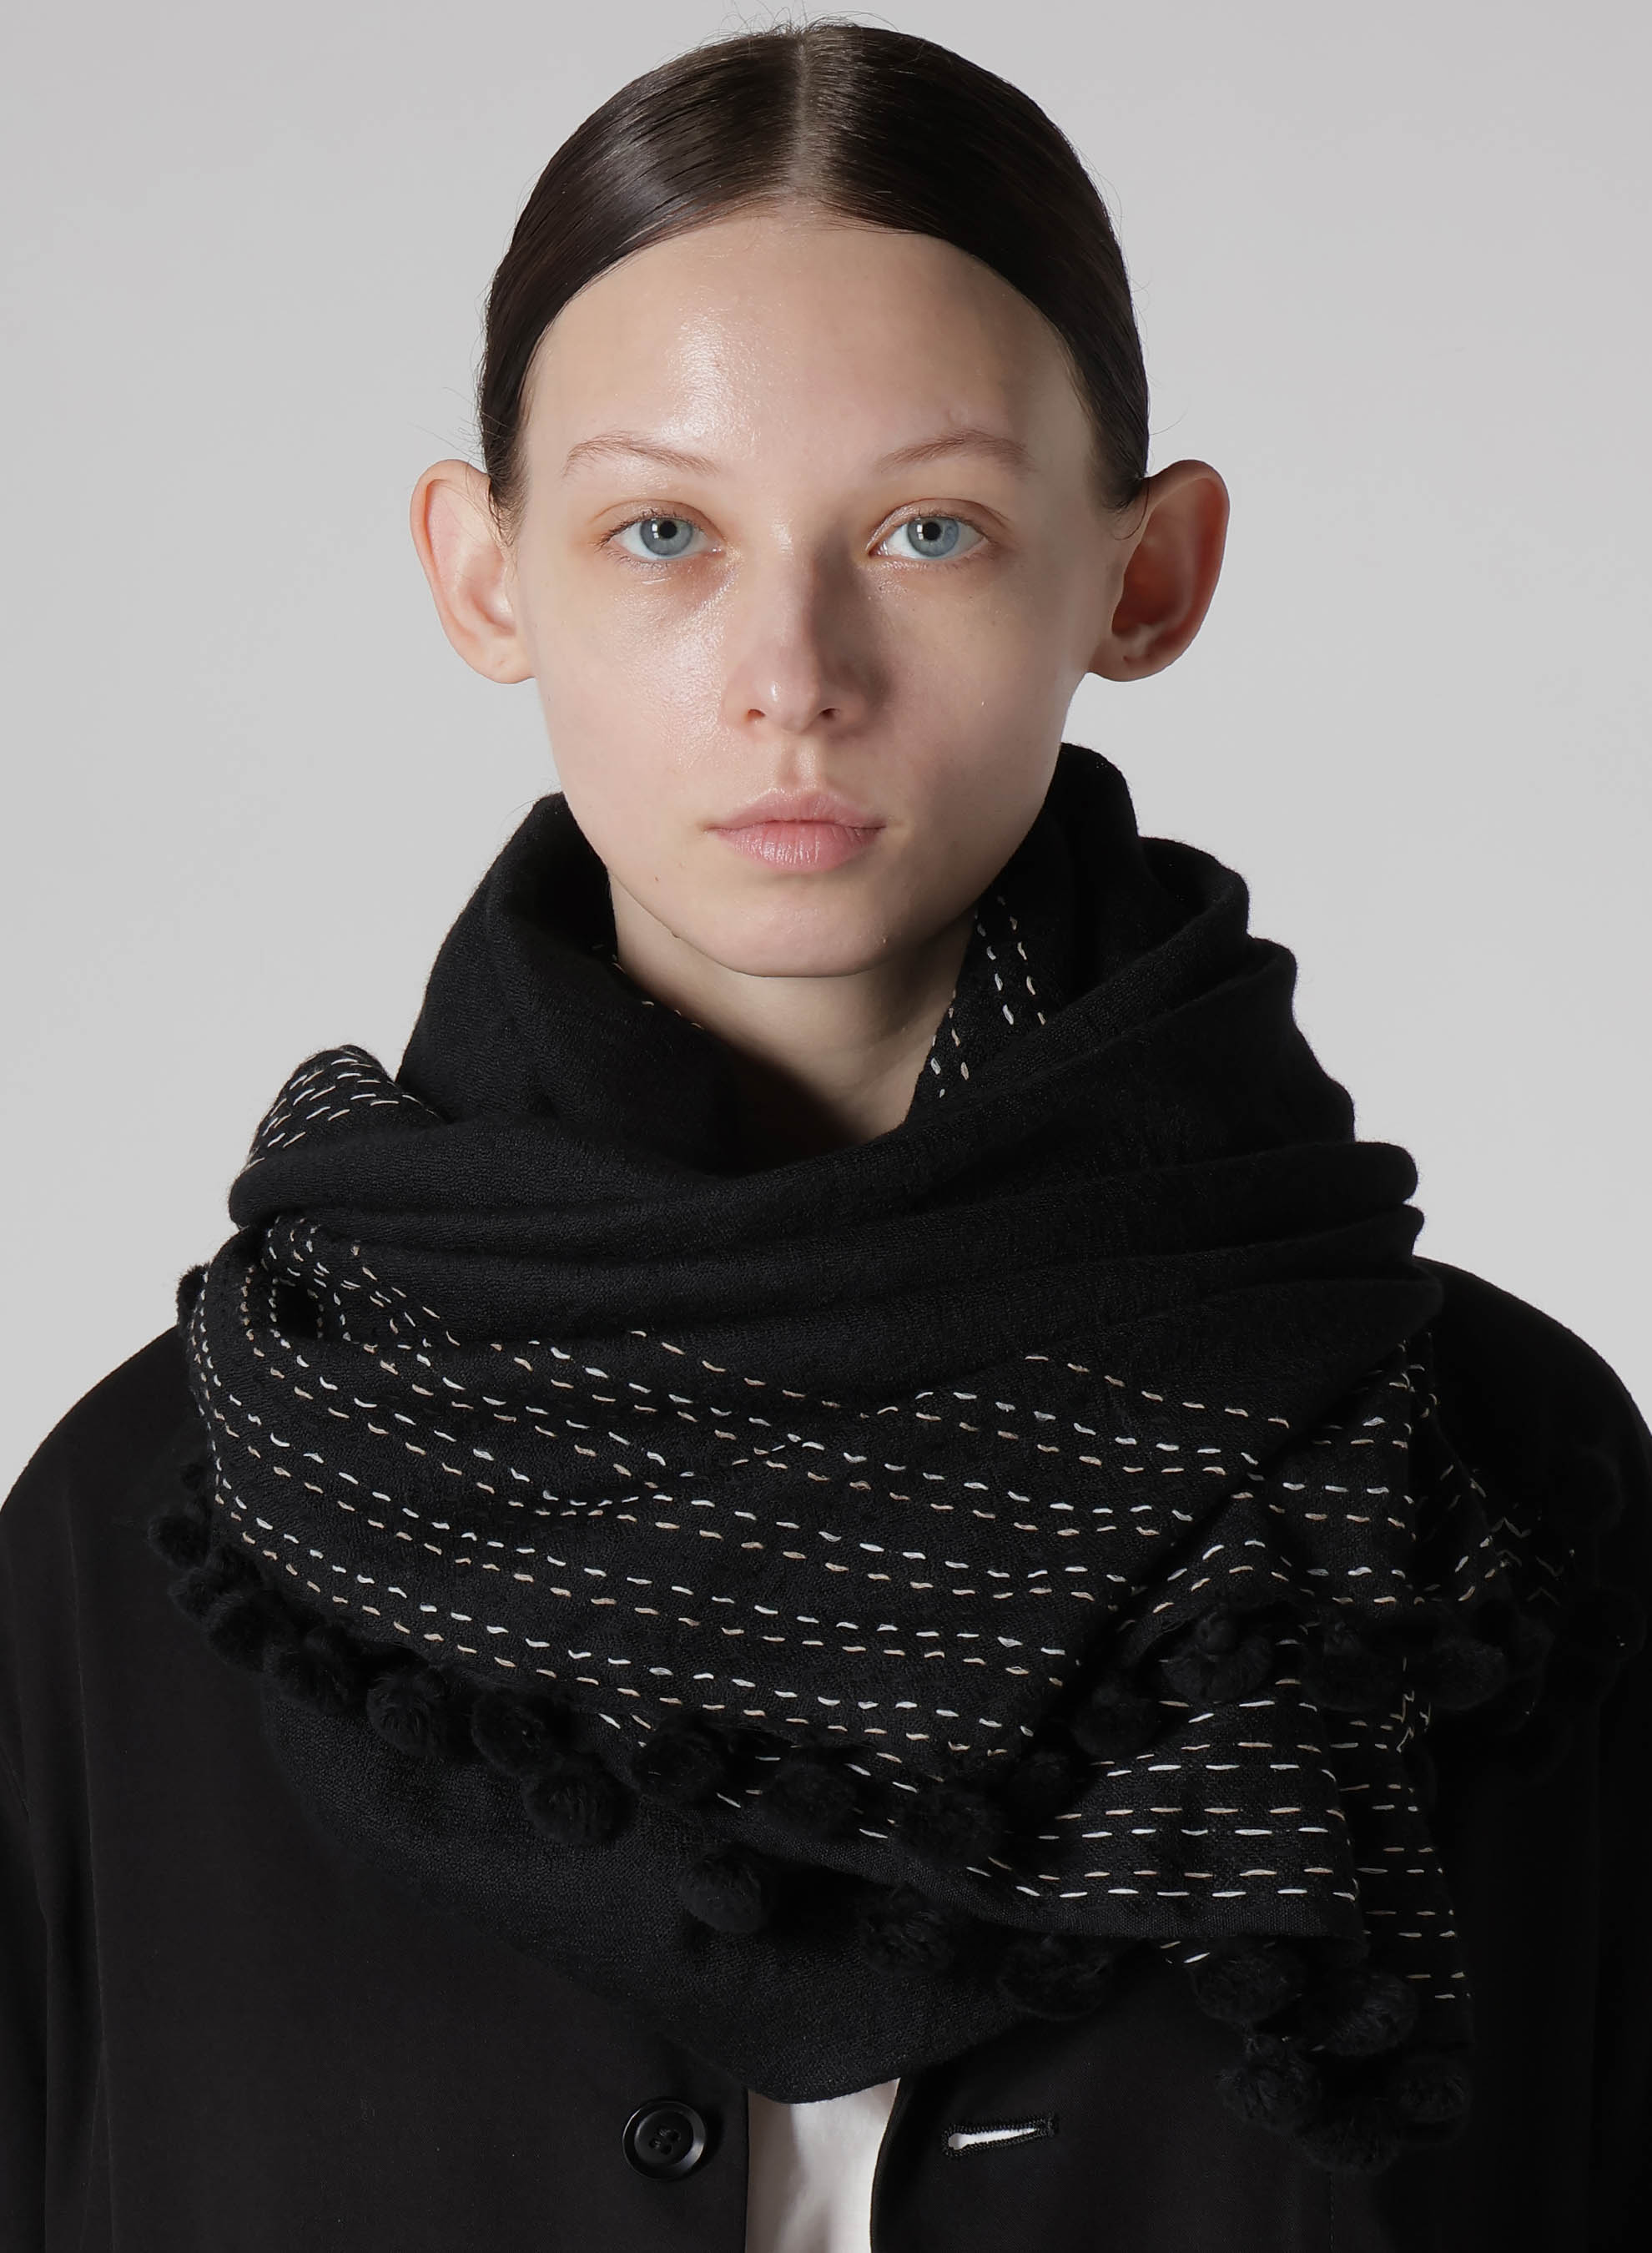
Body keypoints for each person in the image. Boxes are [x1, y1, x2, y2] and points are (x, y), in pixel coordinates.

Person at [2, 23, 1647, 2253]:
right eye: (662, 531)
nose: (794, 668)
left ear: (1145, 575)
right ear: (487, 573)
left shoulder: (1483, 1492)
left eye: (928, 528)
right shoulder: (155, 1532)